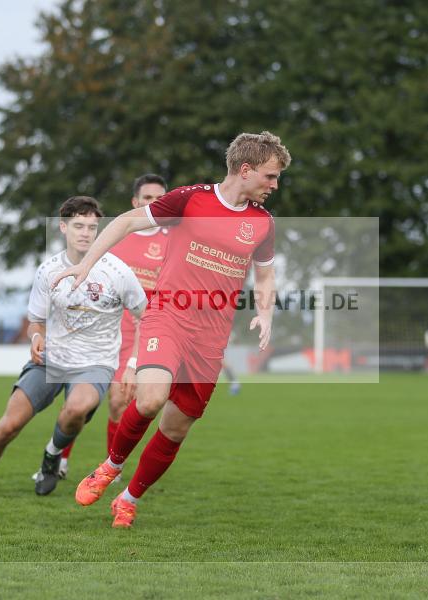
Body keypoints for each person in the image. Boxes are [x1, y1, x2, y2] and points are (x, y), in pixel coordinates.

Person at [54, 131, 290, 528]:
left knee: (176, 428)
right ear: (246, 169)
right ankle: (111, 465)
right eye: (270, 176)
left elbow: (265, 276)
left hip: (212, 335)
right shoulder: (190, 199)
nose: (274, 185)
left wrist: (265, 313)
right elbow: (126, 222)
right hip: (168, 315)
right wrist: (86, 263)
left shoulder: (263, 223)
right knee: (149, 400)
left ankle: (129, 499)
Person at [0, 197, 146, 495]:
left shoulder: (118, 271)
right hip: (51, 359)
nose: (86, 233)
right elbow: (35, 321)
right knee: (9, 425)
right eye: (78, 226)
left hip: (95, 363)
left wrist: (133, 364)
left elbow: (146, 317)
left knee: (77, 408)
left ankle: (52, 454)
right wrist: (36, 338)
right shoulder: (48, 270)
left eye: (91, 227)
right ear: (63, 227)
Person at [50, 174, 170, 482]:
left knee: (120, 401)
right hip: (105, 330)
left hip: (145, 333)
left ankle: (110, 468)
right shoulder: (117, 236)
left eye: (160, 199)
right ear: (135, 202)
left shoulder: (173, 242)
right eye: (147, 198)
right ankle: (60, 459)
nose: (154, 204)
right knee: (80, 401)